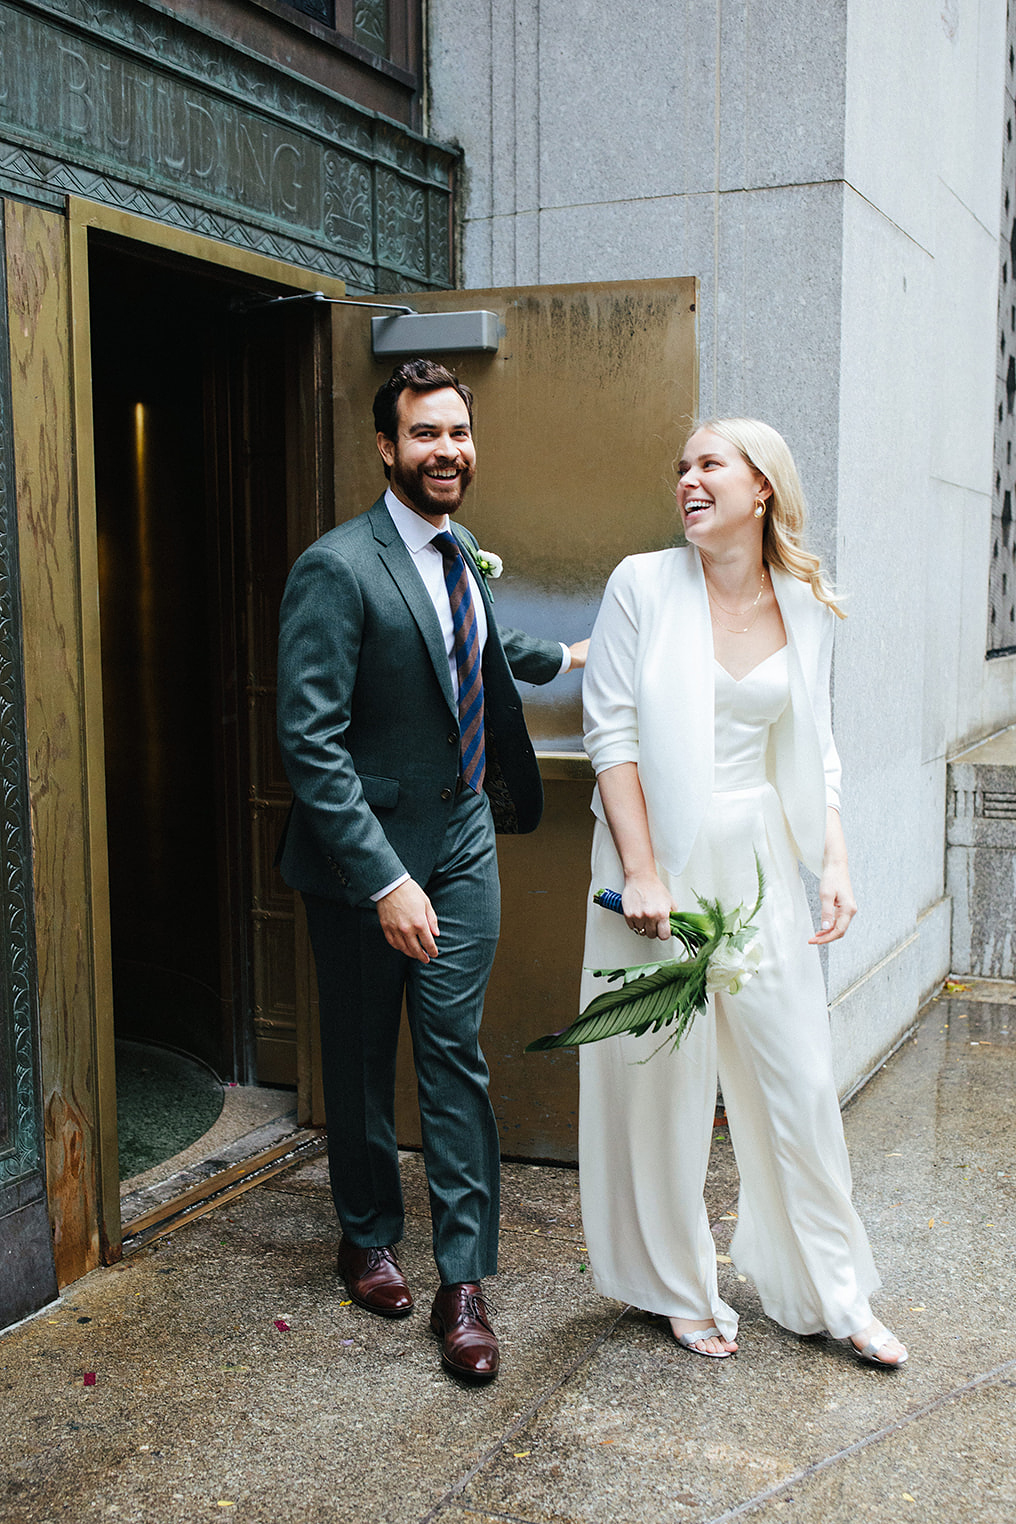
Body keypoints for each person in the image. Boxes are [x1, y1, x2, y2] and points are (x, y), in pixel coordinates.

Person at [276, 358, 587, 1383]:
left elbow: (483, 645)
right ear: (385, 447)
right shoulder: (338, 566)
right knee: (364, 1060)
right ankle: (364, 1235)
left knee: (451, 1053)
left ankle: (463, 1280)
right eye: (423, 434)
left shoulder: (460, 556)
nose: (445, 450)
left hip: (462, 844)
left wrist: (571, 656)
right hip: (364, 861)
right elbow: (310, 745)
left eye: (456, 432)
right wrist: (382, 881)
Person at [577, 417, 907, 1367]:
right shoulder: (641, 584)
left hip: (758, 855)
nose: (687, 477)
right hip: (655, 864)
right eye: (680, 465)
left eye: (709, 463)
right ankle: (675, 1286)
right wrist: (640, 869)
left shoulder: (803, 602)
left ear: (762, 486)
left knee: (797, 1078)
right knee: (662, 1082)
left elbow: (817, 748)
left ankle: (835, 1293)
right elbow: (614, 738)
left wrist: (833, 861)